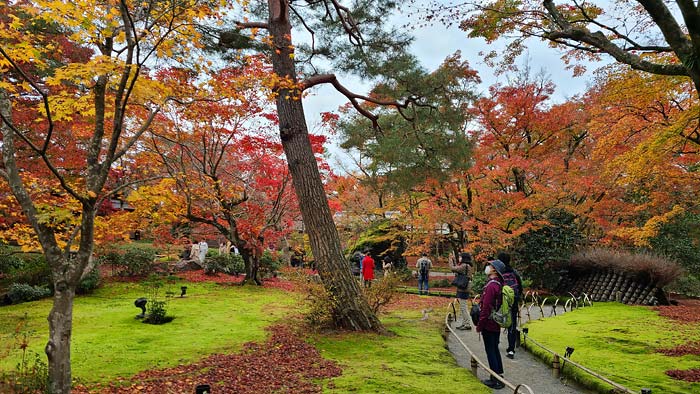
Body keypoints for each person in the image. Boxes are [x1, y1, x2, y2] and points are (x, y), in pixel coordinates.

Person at [476, 259, 507, 390]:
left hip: (489, 322)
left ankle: (495, 379)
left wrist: (479, 325)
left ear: (494, 270)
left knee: (490, 350)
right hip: (496, 321)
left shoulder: (491, 286)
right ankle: (499, 375)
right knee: (494, 348)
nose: (487, 267)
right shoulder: (498, 284)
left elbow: (486, 307)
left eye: (490, 265)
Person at [498, 252, 524, 359]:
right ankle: (511, 349)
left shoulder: (498, 273)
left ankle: (495, 342)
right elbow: (520, 288)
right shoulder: (514, 273)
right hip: (512, 302)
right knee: (512, 325)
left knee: (496, 320)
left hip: (500, 302)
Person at [450, 252, 473, 330]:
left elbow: (453, 268)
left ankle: (467, 324)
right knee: (463, 306)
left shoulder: (464, 266)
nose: (459, 258)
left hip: (463, 287)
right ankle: (464, 323)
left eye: (460, 257)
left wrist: (450, 260)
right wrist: (453, 260)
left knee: (463, 307)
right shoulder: (467, 265)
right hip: (465, 286)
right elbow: (457, 268)